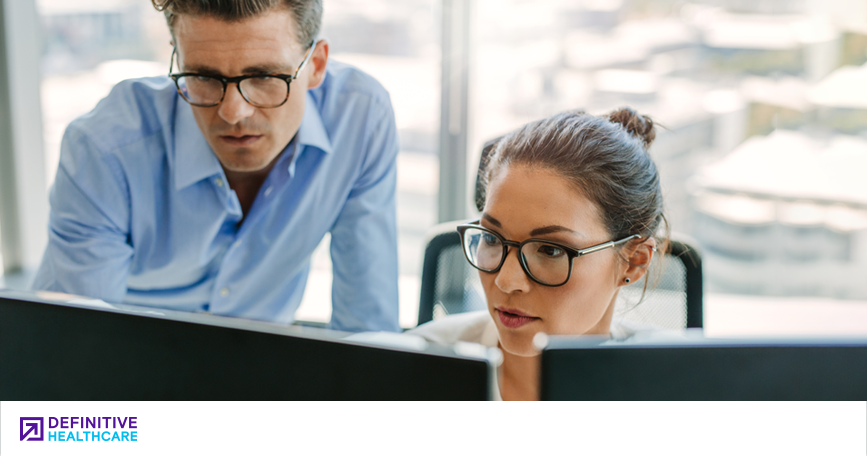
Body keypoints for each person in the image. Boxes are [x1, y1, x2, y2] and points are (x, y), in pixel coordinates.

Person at [31, 0, 401, 332]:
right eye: (204, 77)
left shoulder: (360, 119)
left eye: (264, 77)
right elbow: (78, 348)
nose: (232, 112)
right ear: (177, 56)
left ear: (316, 65)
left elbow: (366, 329)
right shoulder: (106, 149)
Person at [408, 108, 667, 400]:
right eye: (492, 239)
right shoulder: (411, 368)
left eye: (550, 250)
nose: (506, 281)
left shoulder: (676, 389)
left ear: (634, 262)